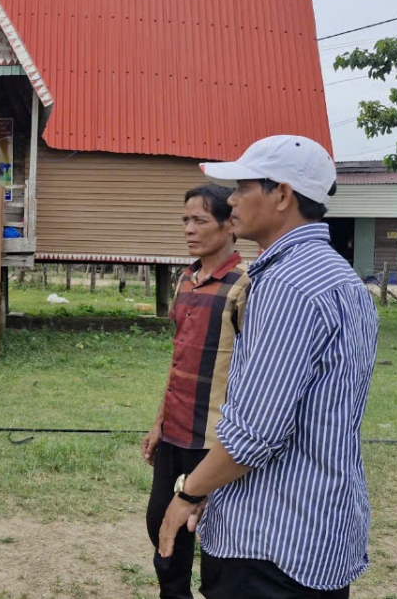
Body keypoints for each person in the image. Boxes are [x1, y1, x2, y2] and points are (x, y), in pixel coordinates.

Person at [158, 135, 379, 599]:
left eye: (243, 186)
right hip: (321, 528)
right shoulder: (341, 277)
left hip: (272, 542)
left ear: (282, 195)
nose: (232, 199)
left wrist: (189, 493)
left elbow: (254, 433)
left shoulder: (286, 285)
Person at [142, 185, 249, 599]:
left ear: (229, 225)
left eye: (200, 221)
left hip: (216, 440)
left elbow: (251, 370)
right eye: (185, 220)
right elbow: (179, 361)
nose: (189, 229)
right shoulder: (187, 279)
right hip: (175, 434)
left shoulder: (245, 287)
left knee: (219, 546)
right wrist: (158, 423)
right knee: (161, 529)